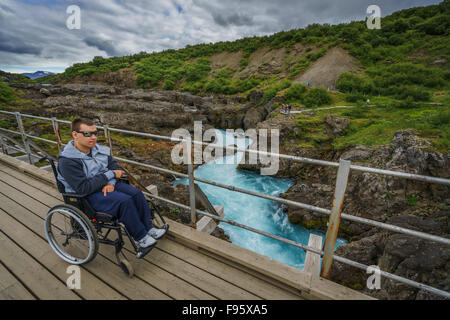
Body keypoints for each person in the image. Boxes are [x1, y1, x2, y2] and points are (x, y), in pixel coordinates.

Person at [57, 118, 166, 248]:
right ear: (75, 135)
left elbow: (115, 169)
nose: (93, 138)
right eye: (87, 134)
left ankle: (148, 228)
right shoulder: (68, 161)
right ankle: (140, 237)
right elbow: (83, 188)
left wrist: (111, 183)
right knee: (124, 202)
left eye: (95, 133)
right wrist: (111, 175)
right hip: (86, 195)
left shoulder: (99, 150)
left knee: (136, 194)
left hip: (106, 184)